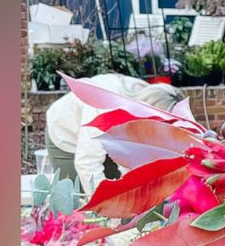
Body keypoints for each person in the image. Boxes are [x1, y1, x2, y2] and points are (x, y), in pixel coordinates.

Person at [42, 71, 182, 194]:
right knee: (77, 201)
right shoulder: (104, 107)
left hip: (107, 138)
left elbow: (133, 160)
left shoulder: (151, 96)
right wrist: (105, 206)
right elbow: (87, 163)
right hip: (66, 135)